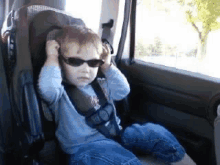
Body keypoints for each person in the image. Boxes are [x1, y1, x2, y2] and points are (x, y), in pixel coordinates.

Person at [37, 25, 193, 165]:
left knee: (154, 132)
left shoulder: (101, 83)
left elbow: (122, 91)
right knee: (119, 160)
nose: (86, 69)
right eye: (76, 61)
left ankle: (179, 158)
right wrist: (52, 58)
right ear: (60, 62)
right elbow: (47, 89)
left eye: (93, 63)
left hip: (116, 136)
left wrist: (107, 65)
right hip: (85, 151)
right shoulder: (60, 92)